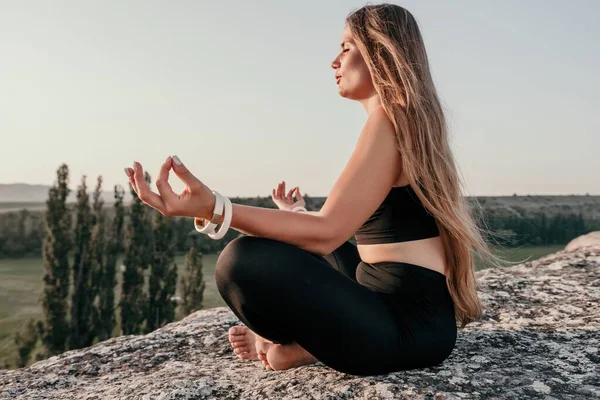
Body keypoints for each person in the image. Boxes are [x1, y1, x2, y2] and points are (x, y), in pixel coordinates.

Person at [124, 3, 499, 376]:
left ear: (380, 53)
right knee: (304, 242)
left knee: (241, 261)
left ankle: (305, 346)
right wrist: (298, 217)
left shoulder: (389, 121)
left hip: (403, 328)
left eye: (347, 48)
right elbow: (340, 230)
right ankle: (311, 347)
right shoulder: (405, 121)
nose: (334, 61)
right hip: (415, 319)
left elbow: (327, 232)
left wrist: (214, 208)